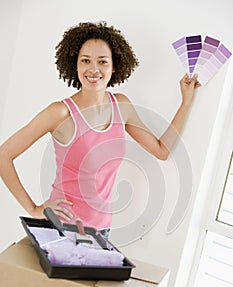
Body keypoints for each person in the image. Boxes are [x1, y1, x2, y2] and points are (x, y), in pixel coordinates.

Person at [0, 21, 199, 234]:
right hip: (59, 227)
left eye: (102, 61)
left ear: (114, 66)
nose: (93, 69)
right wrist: (34, 209)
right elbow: (4, 154)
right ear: (75, 64)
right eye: (85, 60)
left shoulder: (121, 106)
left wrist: (185, 103)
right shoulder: (60, 113)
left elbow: (161, 150)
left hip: (102, 231)